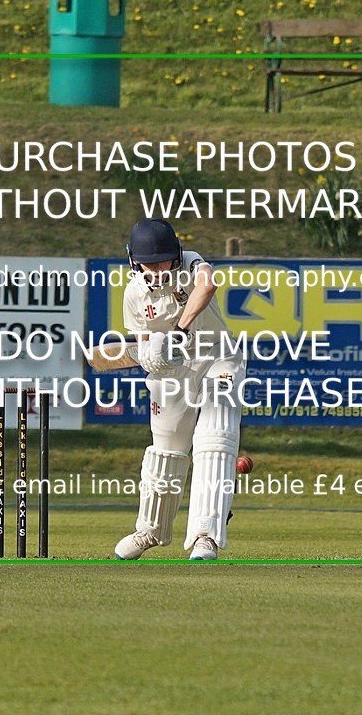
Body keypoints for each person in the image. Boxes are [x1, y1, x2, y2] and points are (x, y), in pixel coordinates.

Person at [114, 218, 247, 560]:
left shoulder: (190, 263)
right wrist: (152, 357)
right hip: (174, 370)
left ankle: (205, 535)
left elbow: (207, 286)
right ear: (134, 262)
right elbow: (144, 342)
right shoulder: (133, 294)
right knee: (166, 450)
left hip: (217, 357)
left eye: (164, 262)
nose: (158, 270)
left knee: (215, 438)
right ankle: (151, 530)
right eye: (150, 264)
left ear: (176, 255)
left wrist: (180, 330)